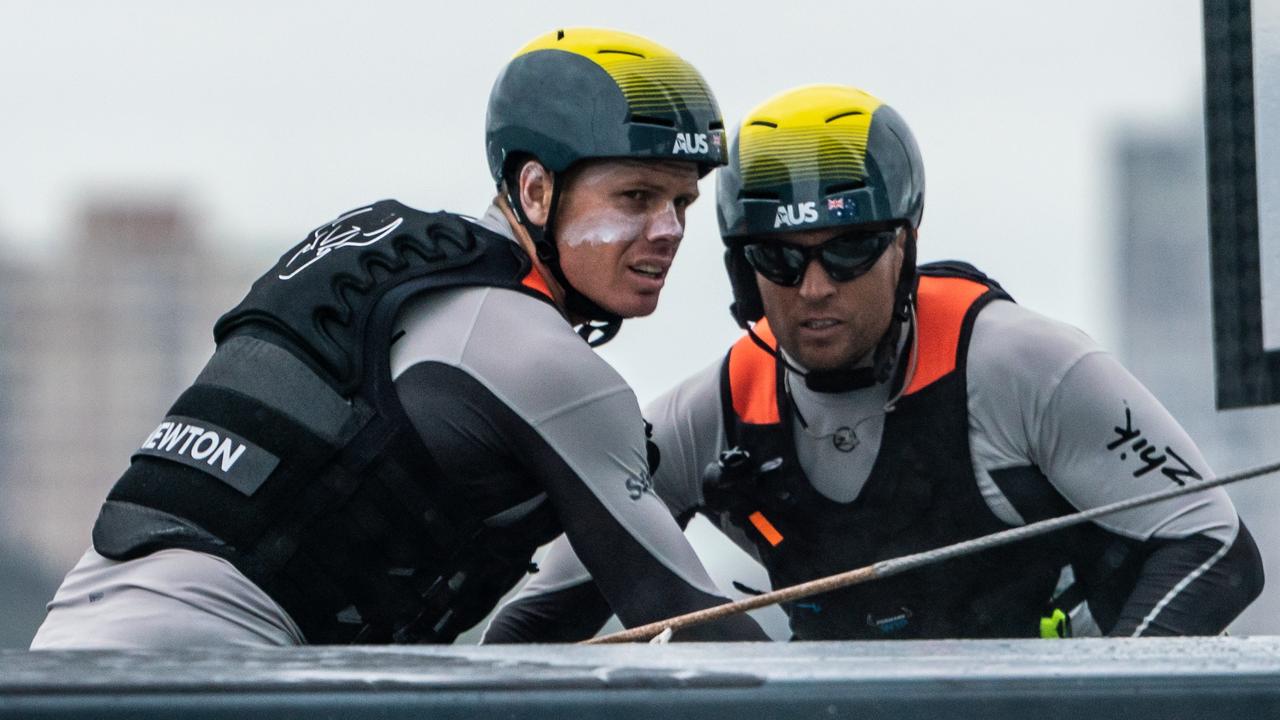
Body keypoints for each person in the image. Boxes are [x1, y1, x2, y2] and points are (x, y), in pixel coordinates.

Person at [30, 28, 768, 648]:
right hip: (212, 672)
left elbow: (528, 634)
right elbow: (694, 621)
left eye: (681, 202)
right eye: (635, 197)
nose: (667, 231)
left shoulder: (388, 264)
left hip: (64, 654)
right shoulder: (543, 359)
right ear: (536, 190)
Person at [484, 84, 1265, 642]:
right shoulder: (711, 408)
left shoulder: (1021, 363)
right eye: (779, 261)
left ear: (906, 246)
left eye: (850, 251)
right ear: (739, 272)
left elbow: (1218, 551)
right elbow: (537, 616)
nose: (816, 289)